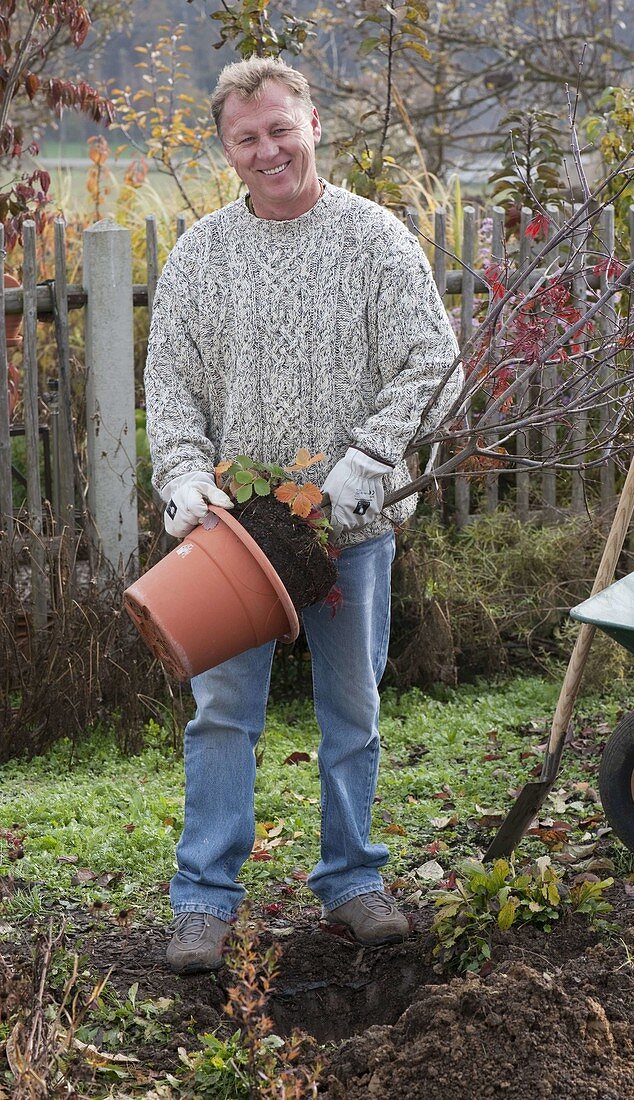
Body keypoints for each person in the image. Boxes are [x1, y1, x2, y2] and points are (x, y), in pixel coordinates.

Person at [145, 56, 461, 974]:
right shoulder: (203, 253)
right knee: (221, 713)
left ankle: (354, 879)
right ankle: (204, 900)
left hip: (349, 528)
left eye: (280, 128)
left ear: (314, 123)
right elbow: (169, 382)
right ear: (228, 150)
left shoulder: (375, 239)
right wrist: (179, 472)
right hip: (235, 536)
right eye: (247, 138)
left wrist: (373, 458)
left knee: (351, 711)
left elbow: (433, 361)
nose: (268, 149)